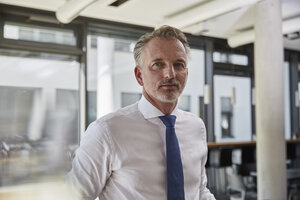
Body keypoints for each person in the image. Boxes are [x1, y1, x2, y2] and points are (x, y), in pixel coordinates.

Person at [67, 25, 215, 200]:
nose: (170, 73)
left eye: (178, 64)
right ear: (139, 75)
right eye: (158, 64)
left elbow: (198, 190)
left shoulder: (196, 126)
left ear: (186, 73)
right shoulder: (107, 131)